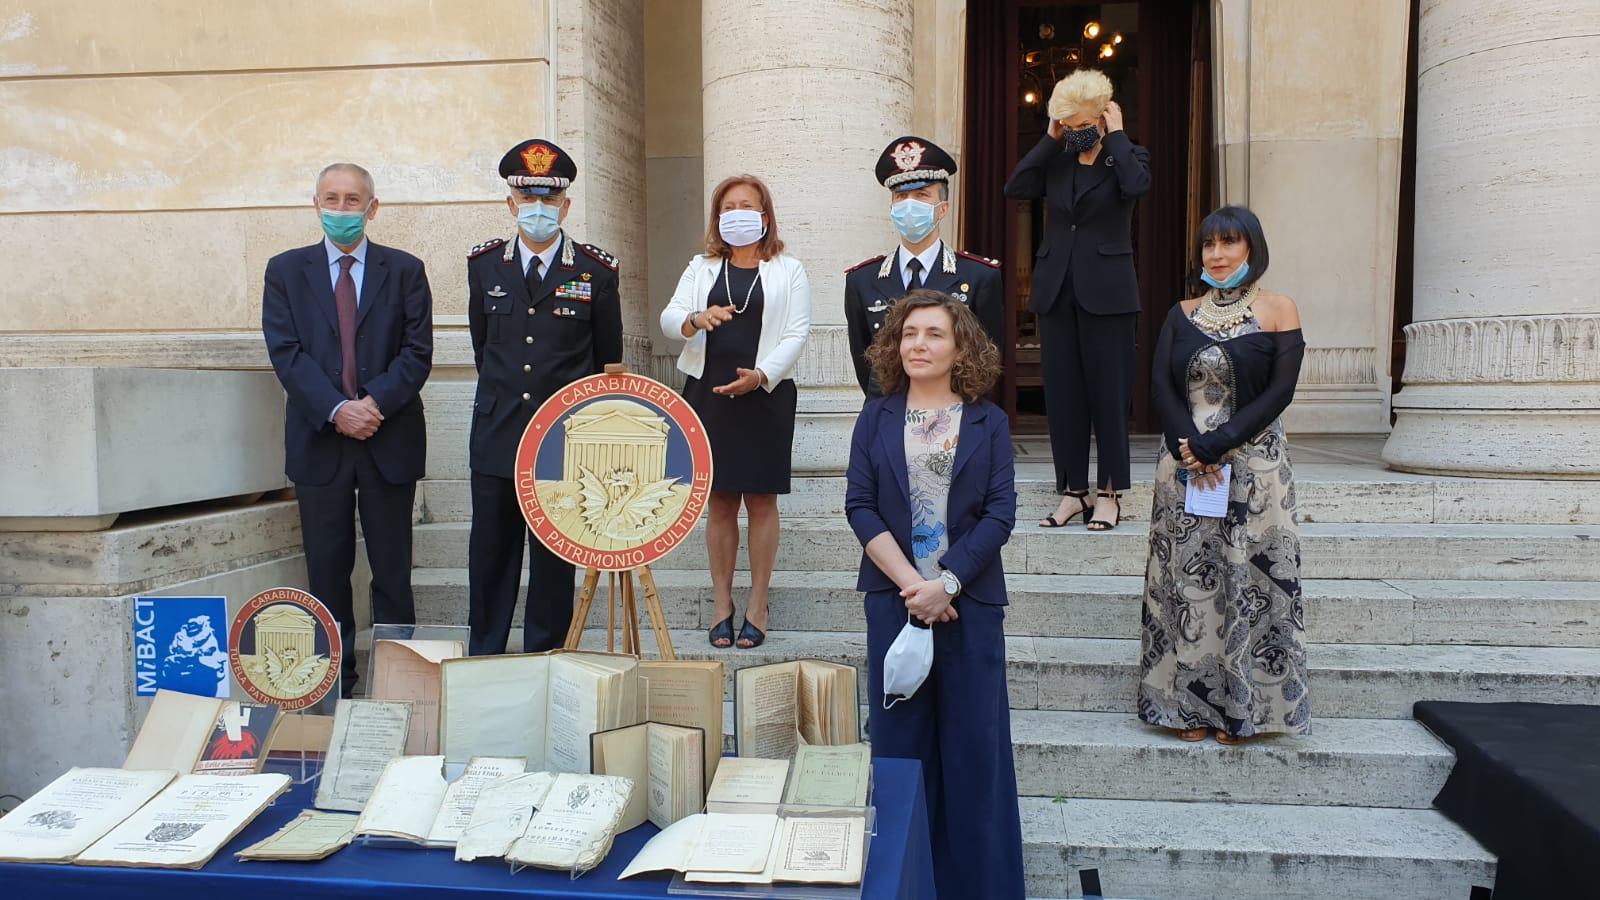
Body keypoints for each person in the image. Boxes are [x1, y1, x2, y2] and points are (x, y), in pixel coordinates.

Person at [845, 290, 1023, 899]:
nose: (918, 344)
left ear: (960, 347)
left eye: (934, 334)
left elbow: (1000, 515)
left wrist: (945, 582)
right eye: (909, 333)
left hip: (968, 606)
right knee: (901, 755)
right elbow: (860, 507)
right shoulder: (875, 416)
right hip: (893, 604)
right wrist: (913, 587)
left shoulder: (988, 422)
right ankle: (905, 884)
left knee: (976, 756)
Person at [1138, 205, 1309, 744]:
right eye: (1209, 246)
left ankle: (1247, 711)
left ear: (1252, 250)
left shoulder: (1280, 309)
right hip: (1186, 464)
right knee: (1188, 583)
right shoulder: (1182, 312)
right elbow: (1161, 384)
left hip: (1255, 468)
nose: (1216, 255)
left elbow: (1280, 392)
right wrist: (1187, 446)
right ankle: (1186, 708)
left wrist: (1218, 443)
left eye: (1228, 244)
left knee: (1251, 582)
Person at [262, 162, 433, 696]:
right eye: (331, 199)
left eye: (352, 200)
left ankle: (398, 683)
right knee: (328, 574)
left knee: (392, 573)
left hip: (388, 439)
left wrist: (372, 403)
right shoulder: (285, 271)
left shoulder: (404, 270)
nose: (341, 209)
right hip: (320, 443)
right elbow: (285, 353)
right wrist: (337, 409)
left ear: (372, 208)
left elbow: (417, 351)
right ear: (316, 204)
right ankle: (335, 684)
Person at [466, 139, 623, 656]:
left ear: (566, 206)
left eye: (549, 200)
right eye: (527, 198)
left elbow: (607, 363)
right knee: (491, 552)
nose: (538, 209)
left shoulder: (596, 272)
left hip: (561, 442)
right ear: (511, 203)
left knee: (553, 560)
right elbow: (483, 347)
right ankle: (486, 654)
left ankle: (545, 657)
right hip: (497, 432)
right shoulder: (485, 265)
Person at [659, 174, 811, 649]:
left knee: (762, 500)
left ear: (764, 216)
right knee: (720, 501)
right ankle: (722, 604)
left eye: (747, 205)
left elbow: (798, 332)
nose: (737, 214)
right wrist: (695, 319)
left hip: (766, 394)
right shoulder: (701, 267)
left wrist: (762, 375)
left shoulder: (790, 269)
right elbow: (670, 318)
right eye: (728, 207)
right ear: (718, 217)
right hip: (709, 394)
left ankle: (758, 604)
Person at [1003, 68, 1151, 532]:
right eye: (1065, 123)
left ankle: (1109, 494)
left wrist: (1119, 135)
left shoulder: (1127, 156)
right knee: (1063, 397)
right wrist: (1049, 139)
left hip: (1108, 292)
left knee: (1108, 393)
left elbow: (1137, 186)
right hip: (1056, 290)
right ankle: (1073, 491)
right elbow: (1016, 188)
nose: (1073, 131)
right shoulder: (1056, 158)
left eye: (1080, 123)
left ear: (1104, 116)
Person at [846, 136, 1004, 398]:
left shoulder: (979, 277)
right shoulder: (862, 280)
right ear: (892, 206)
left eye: (921, 195)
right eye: (901, 196)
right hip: (885, 419)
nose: (909, 204)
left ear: (942, 209)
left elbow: (988, 362)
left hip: (954, 417)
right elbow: (866, 366)